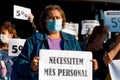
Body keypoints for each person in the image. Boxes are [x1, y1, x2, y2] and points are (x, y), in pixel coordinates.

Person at [12, 4, 98, 80]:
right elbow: (20, 65)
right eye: (50, 18)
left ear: (62, 20)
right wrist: (31, 67)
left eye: (57, 17)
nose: (54, 20)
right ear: (44, 21)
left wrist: (90, 67)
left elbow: (80, 66)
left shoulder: (71, 40)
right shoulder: (34, 39)